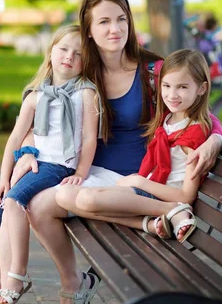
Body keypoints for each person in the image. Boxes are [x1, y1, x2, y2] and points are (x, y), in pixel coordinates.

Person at [1, 0, 222, 304]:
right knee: (39, 205)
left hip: (146, 177)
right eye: (103, 22)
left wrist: (214, 138)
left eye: (121, 19)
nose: (114, 29)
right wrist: (28, 148)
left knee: (61, 198)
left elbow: (197, 106)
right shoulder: (81, 74)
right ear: (88, 30)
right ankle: (75, 285)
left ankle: (162, 219)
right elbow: (43, 116)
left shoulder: (154, 71)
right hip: (96, 173)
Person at [0, 25, 103, 304]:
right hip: (37, 163)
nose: (69, 57)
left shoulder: (87, 93)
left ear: (86, 62)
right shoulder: (35, 96)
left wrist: (81, 172)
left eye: (78, 54)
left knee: (16, 202)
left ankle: (15, 281)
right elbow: (15, 139)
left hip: (59, 167)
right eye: (63, 50)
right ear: (50, 51)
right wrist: (3, 179)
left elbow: (89, 139)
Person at [57, 48, 213, 244]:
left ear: (201, 88)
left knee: (86, 200)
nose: (172, 94)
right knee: (63, 196)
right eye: (166, 86)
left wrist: (139, 182)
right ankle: (148, 224)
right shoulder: (168, 118)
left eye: (182, 87)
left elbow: (186, 195)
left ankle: (171, 210)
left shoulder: (194, 134)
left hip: (156, 195)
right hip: (146, 191)